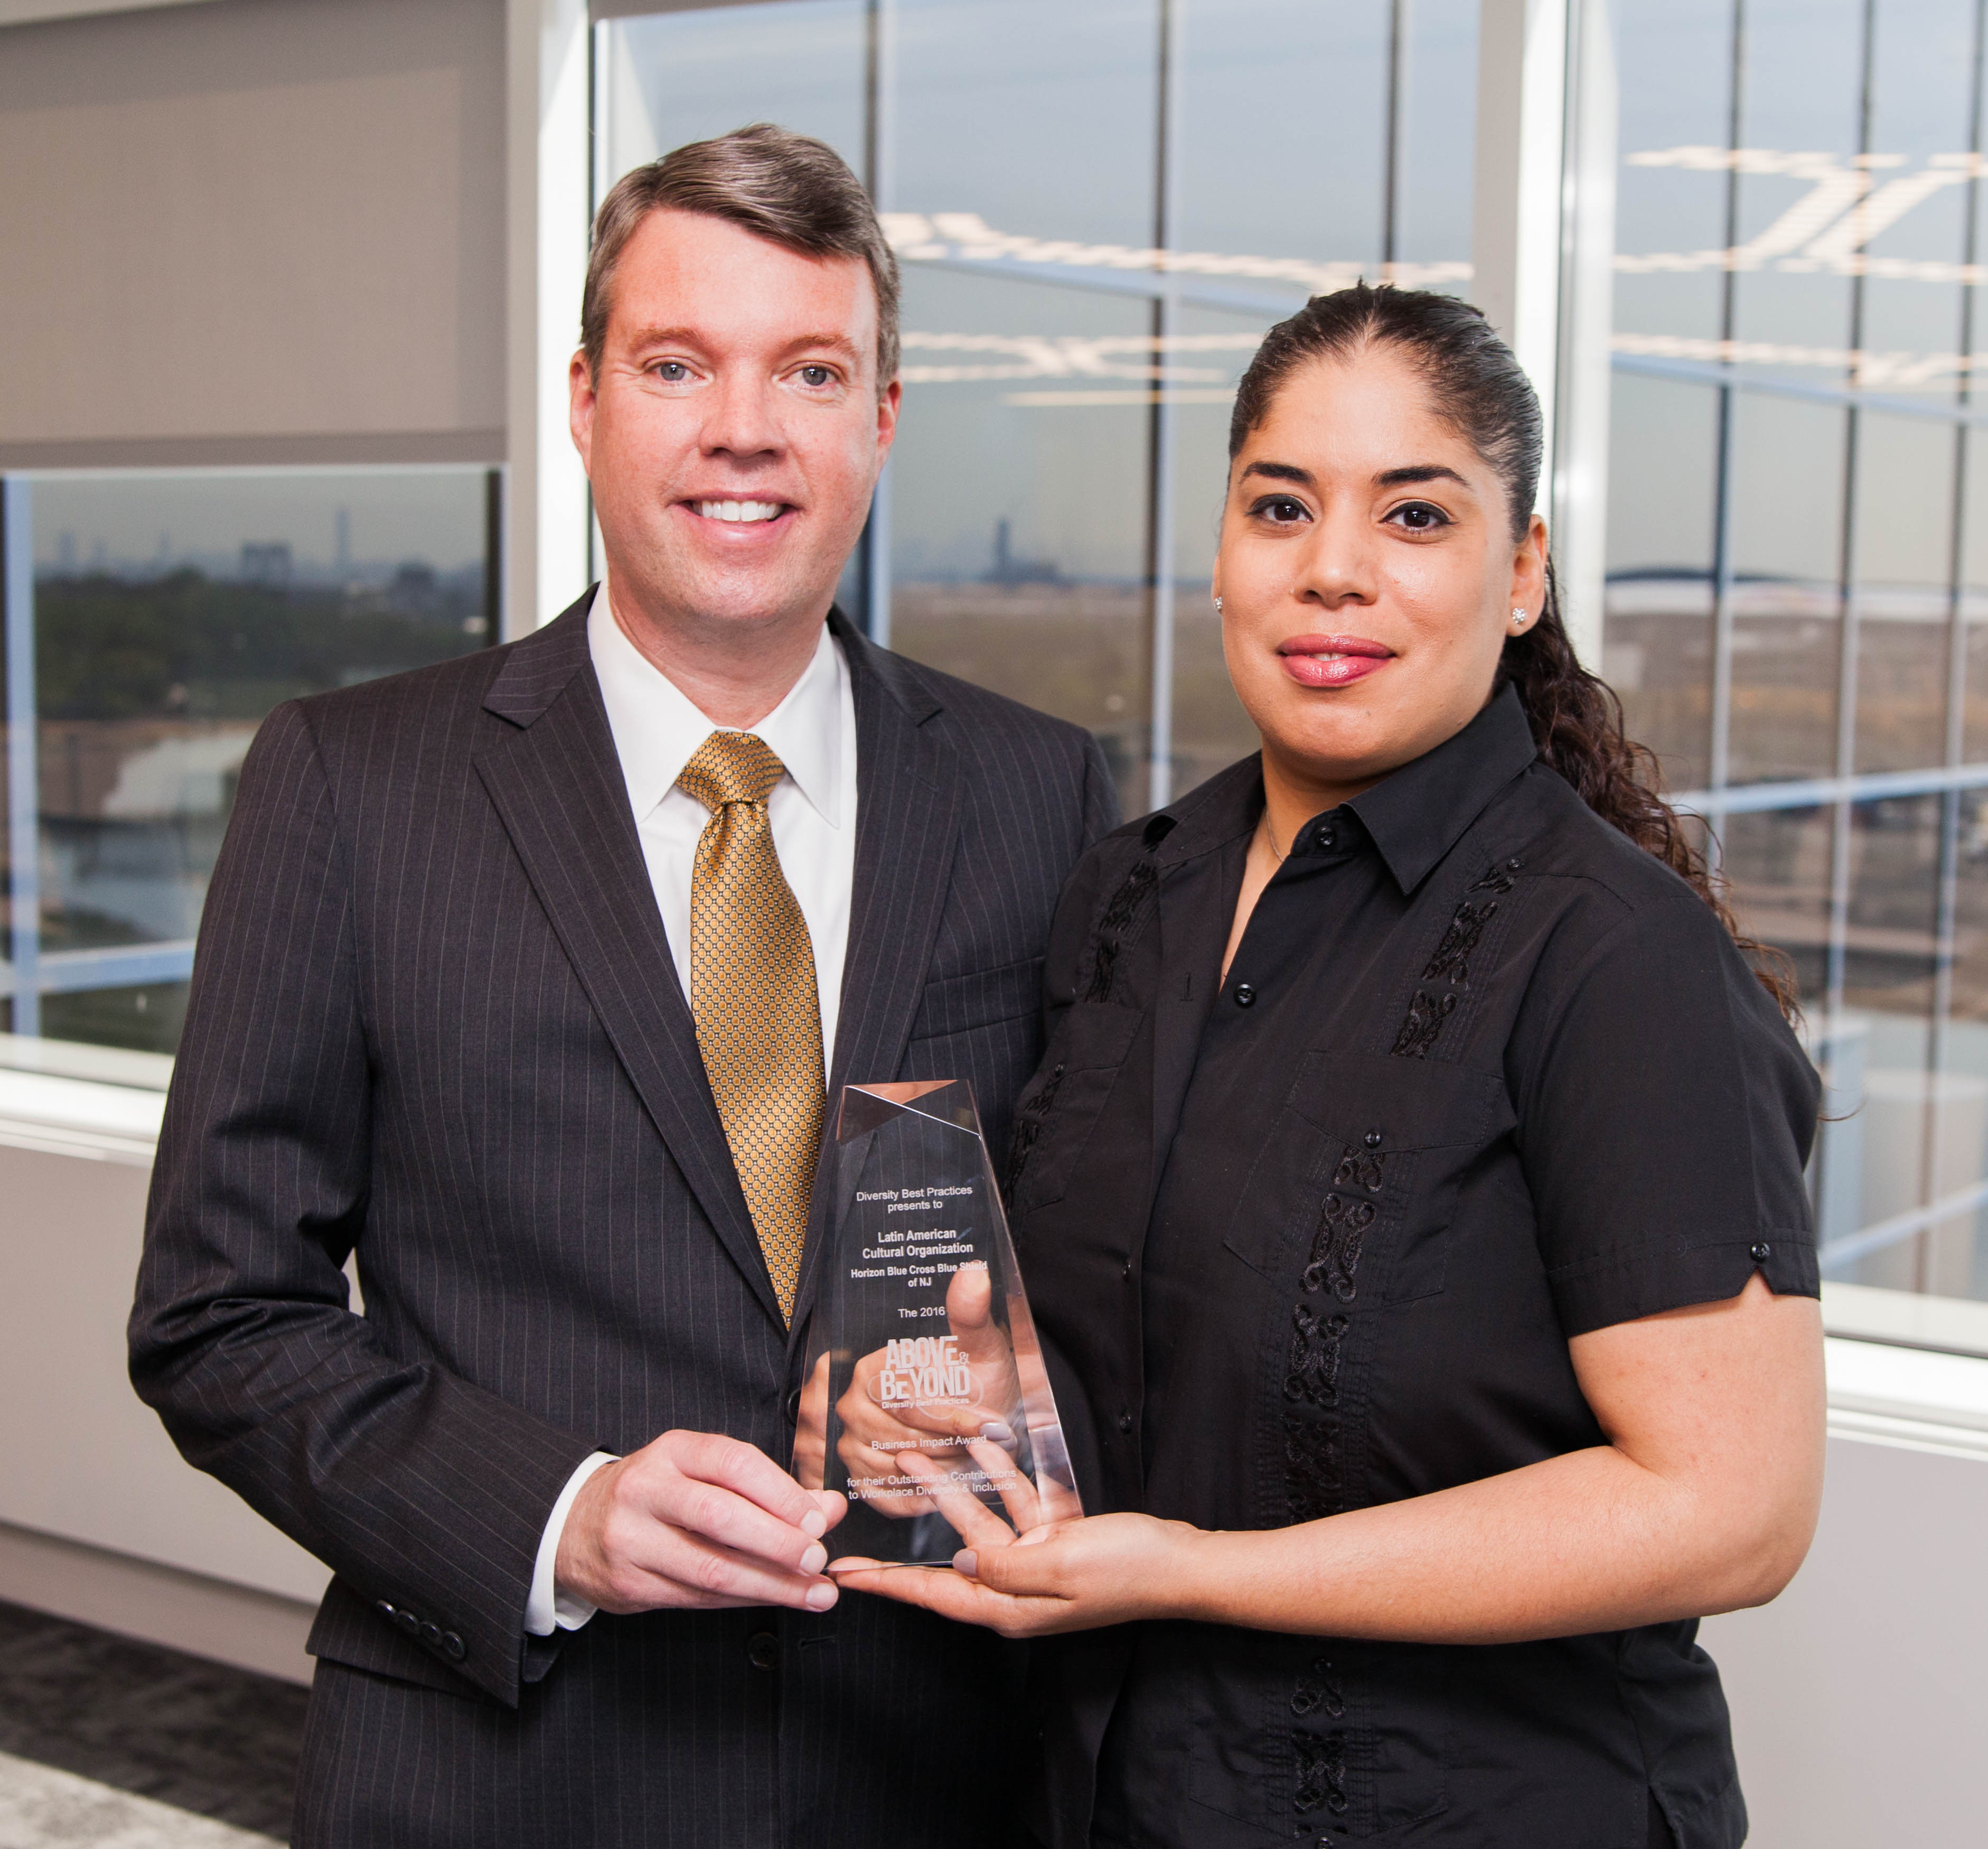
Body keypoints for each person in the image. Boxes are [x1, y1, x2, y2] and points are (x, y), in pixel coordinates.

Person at [128, 124, 1116, 1848]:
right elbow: (219, 1314)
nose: (745, 427)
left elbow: (1097, 1271)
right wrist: (557, 1515)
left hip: (924, 1764)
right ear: (585, 400)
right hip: (501, 1771)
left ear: (881, 419)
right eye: (677, 364)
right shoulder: (351, 784)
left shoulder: (1039, 791)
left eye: (809, 370)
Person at [850, 285, 1826, 1849]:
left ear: (1522, 574)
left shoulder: (1615, 959)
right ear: (1222, 553)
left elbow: (1731, 1510)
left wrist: (1196, 1571)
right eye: (1281, 505)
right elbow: (1143, 1354)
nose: (1332, 569)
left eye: (1415, 514)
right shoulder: (1127, 895)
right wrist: (961, 1406)